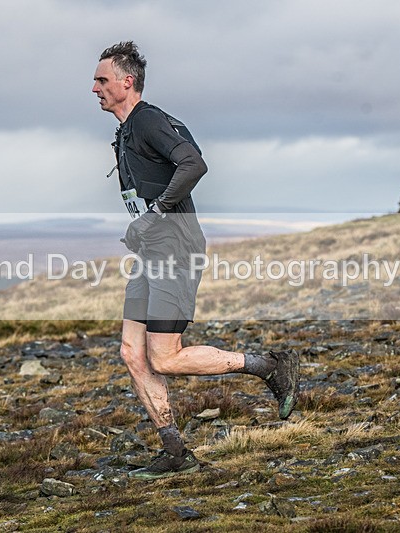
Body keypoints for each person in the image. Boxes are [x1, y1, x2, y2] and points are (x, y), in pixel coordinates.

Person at [92, 41, 301, 479]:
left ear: (127, 82)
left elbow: (193, 163)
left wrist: (156, 213)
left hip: (176, 250)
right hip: (152, 254)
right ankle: (175, 452)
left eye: (102, 80)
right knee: (132, 353)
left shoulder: (148, 120)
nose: (95, 88)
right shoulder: (127, 131)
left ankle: (268, 366)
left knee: (165, 358)